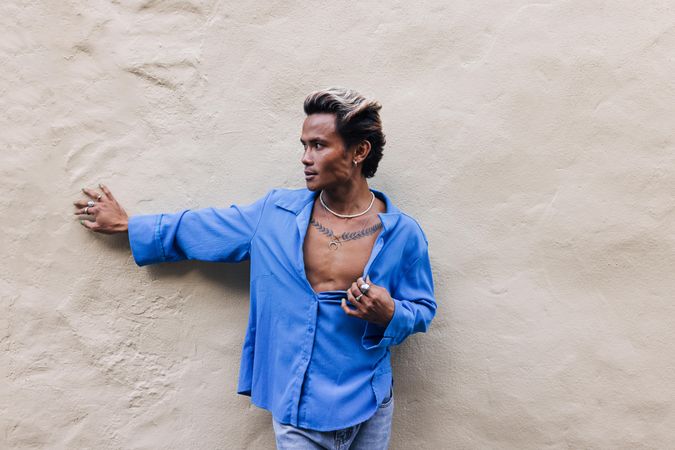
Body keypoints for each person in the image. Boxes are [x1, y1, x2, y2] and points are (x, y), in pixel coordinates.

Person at [73, 87, 437, 449]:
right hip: (296, 404)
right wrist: (128, 225)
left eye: (319, 145)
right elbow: (204, 228)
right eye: (304, 145)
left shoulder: (402, 234)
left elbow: (422, 309)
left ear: (359, 151)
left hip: (368, 401)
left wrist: (389, 312)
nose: (305, 158)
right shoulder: (275, 214)